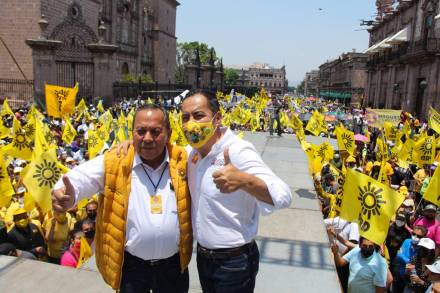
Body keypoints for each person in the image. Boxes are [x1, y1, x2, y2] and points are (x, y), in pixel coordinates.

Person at [52, 104, 192, 292]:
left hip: (173, 268)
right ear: (132, 133)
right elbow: (78, 179)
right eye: (141, 131)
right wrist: (66, 194)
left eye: (155, 131)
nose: (148, 138)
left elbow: (210, 150)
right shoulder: (115, 161)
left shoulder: (183, 159)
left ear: (169, 133)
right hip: (132, 269)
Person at [180, 90, 292, 292]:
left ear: (217, 118)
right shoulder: (191, 154)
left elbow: (283, 195)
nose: (191, 124)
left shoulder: (237, 150)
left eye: (198, 116)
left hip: (234, 263)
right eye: (185, 118)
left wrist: (244, 180)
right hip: (204, 259)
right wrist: (128, 145)